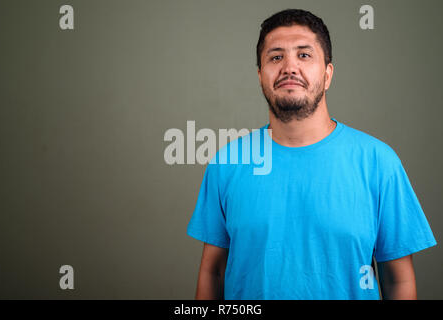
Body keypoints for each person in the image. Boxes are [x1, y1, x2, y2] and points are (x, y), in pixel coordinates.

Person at [186, 9, 437, 300]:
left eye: (304, 55)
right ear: (260, 75)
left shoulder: (379, 163)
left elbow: (398, 281)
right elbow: (212, 273)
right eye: (276, 57)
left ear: (328, 74)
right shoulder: (227, 164)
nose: (289, 67)